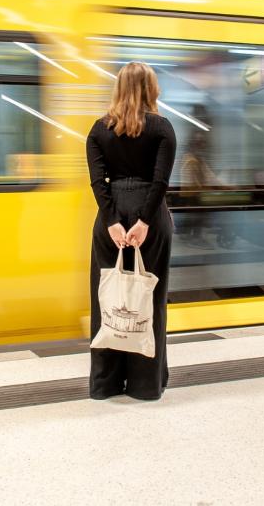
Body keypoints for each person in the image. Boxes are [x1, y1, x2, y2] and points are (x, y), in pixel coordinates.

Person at [85, 62, 177, 401]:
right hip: (150, 218)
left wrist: (112, 221)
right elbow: (161, 181)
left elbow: (98, 181)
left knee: (107, 299)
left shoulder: (98, 130)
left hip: (109, 221)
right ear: (151, 89)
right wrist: (144, 222)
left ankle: (105, 384)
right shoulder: (163, 128)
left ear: (119, 89)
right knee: (149, 299)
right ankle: (144, 384)